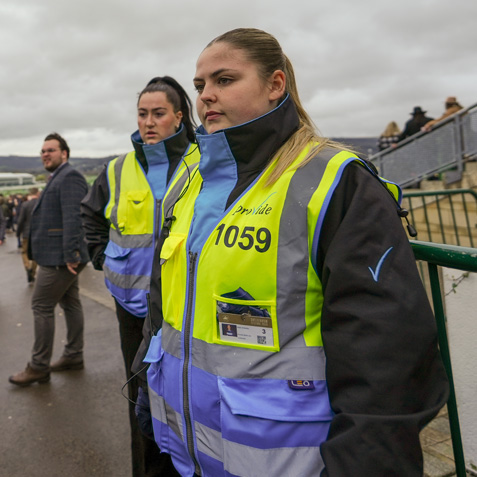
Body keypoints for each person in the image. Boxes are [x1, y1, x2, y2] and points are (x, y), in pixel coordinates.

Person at [141, 28, 449, 476]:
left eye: (224, 80)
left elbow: (385, 361)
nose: (206, 95)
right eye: (200, 85)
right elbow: (162, 305)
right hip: (186, 452)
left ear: (275, 85)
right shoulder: (189, 177)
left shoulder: (336, 181)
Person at [81, 76, 198, 477]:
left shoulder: (203, 163)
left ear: (179, 117)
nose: (149, 122)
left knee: (187, 395)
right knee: (141, 398)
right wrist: (102, 258)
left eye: (159, 113)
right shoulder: (116, 169)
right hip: (132, 307)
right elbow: (90, 216)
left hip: (185, 307)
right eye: (142, 113)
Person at [9, 133, 89, 386]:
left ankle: (38, 366)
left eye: (50, 150)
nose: (45, 154)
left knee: (41, 306)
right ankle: (73, 356)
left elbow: (74, 217)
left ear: (64, 153)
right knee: (71, 303)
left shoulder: (70, 176)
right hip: (58, 255)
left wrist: (72, 254)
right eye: (43, 151)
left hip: (60, 258)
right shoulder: (58, 177)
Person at [16, 187, 40, 282]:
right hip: (37, 233)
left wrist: (18, 232)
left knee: (24, 252)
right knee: (35, 254)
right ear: (37, 193)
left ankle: (27, 266)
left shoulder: (25, 205)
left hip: (26, 233)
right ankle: (33, 271)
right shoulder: (40, 203)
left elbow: (21, 220)